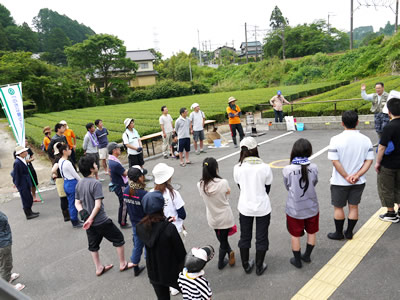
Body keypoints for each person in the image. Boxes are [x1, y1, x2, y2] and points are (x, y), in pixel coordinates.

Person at [75, 155, 135, 277]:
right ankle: (122, 263)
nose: (97, 165)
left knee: (93, 246)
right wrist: (91, 218)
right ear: (92, 169)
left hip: (89, 223)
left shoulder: (79, 184)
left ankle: (99, 268)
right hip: (101, 220)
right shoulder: (96, 183)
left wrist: (83, 213)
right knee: (119, 239)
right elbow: (97, 205)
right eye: (95, 164)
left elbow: (77, 203)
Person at [327, 110, 374, 240]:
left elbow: (335, 161)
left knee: (338, 207)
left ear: (342, 123)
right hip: (358, 181)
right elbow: (369, 160)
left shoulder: (335, 139)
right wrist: (357, 175)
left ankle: (338, 233)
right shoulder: (366, 140)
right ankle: (349, 232)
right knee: (353, 207)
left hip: (339, 181)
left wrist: (346, 176)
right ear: (357, 122)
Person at [136, 190, 187, 299]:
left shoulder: (140, 227)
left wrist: (165, 222)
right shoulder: (169, 229)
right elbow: (181, 253)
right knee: (190, 294)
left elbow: (154, 231)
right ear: (161, 207)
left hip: (154, 272)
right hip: (172, 270)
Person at [233, 137, 273, 276]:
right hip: (262, 206)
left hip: (245, 206)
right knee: (261, 237)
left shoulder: (237, 168)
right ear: (255, 149)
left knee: (245, 236)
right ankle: (259, 266)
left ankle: (246, 265)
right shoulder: (265, 167)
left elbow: (240, 186)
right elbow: (267, 188)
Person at [152, 162, 187, 297]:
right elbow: (182, 214)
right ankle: (176, 284)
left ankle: (167, 284)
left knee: (165, 257)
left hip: (157, 232)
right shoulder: (173, 193)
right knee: (178, 258)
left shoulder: (151, 194)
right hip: (174, 229)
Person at [283, 139, 319, 269]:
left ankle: (297, 260)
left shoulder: (288, 169)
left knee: (295, 235)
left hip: (295, 208)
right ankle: (307, 255)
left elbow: (287, 185)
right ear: (309, 151)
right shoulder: (314, 167)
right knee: (311, 232)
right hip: (311, 207)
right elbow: (314, 182)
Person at [197, 157, 235, 270]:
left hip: (212, 216)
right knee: (223, 240)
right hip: (224, 216)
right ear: (216, 169)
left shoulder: (200, 184)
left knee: (221, 238)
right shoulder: (223, 183)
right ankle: (221, 262)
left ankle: (229, 252)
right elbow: (227, 195)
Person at [375, 92, 400, 223]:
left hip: (389, 164)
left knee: (387, 187)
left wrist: (378, 163)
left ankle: (391, 213)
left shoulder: (389, 127)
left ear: (389, 112)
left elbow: (382, 147)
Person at [123, 166, 147, 276]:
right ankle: (150, 264)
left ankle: (135, 266)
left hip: (134, 223)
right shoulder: (143, 194)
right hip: (145, 224)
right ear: (140, 178)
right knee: (148, 245)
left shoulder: (126, 190)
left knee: (137, 245)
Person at [57, 143, 82, 228]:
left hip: (66, 182)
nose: (70, 151)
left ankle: (75, 219)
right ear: (64, 151)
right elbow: (75, 174)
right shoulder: (67, 162)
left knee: (71, 202)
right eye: (68, 149)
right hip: (71, 183)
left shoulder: (60, 161)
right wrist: (81, 181)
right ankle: (74, 220)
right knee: (73, 203)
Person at [11, 145, 39, 220]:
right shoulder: (17, 162)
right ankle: (28, 214)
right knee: (25, 198)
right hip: (22, 183)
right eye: (24, 151)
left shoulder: (22, 160)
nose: (26, 152)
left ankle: (30, 211)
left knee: (29, 197)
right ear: (20, 153)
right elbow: (16, 174)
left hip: (26, 182)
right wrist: (17, 184)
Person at [0, 211, 25, 291]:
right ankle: (7, 288)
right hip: (2, 243)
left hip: (3, 240)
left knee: (3, 263)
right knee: (6, 265)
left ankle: (7, 277)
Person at [107, 142, 130, 229]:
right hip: (121, 186)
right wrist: (129, 170)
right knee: (124, 204)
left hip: (117, 184)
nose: (120, 149)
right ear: (114, 150)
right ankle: (122, 222)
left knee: (124, 203)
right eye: (118, 148)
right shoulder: (115, 163)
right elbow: (124, 173)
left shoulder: (111, 160)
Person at [51, 143, 70, 222]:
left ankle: (67, 214)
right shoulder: (58, 159)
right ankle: (66, 215)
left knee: (64, 198)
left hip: (60, 180)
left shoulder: (57, 158)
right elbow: (53, 170)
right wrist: (55, 174)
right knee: (64, 198)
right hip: (61, 180)